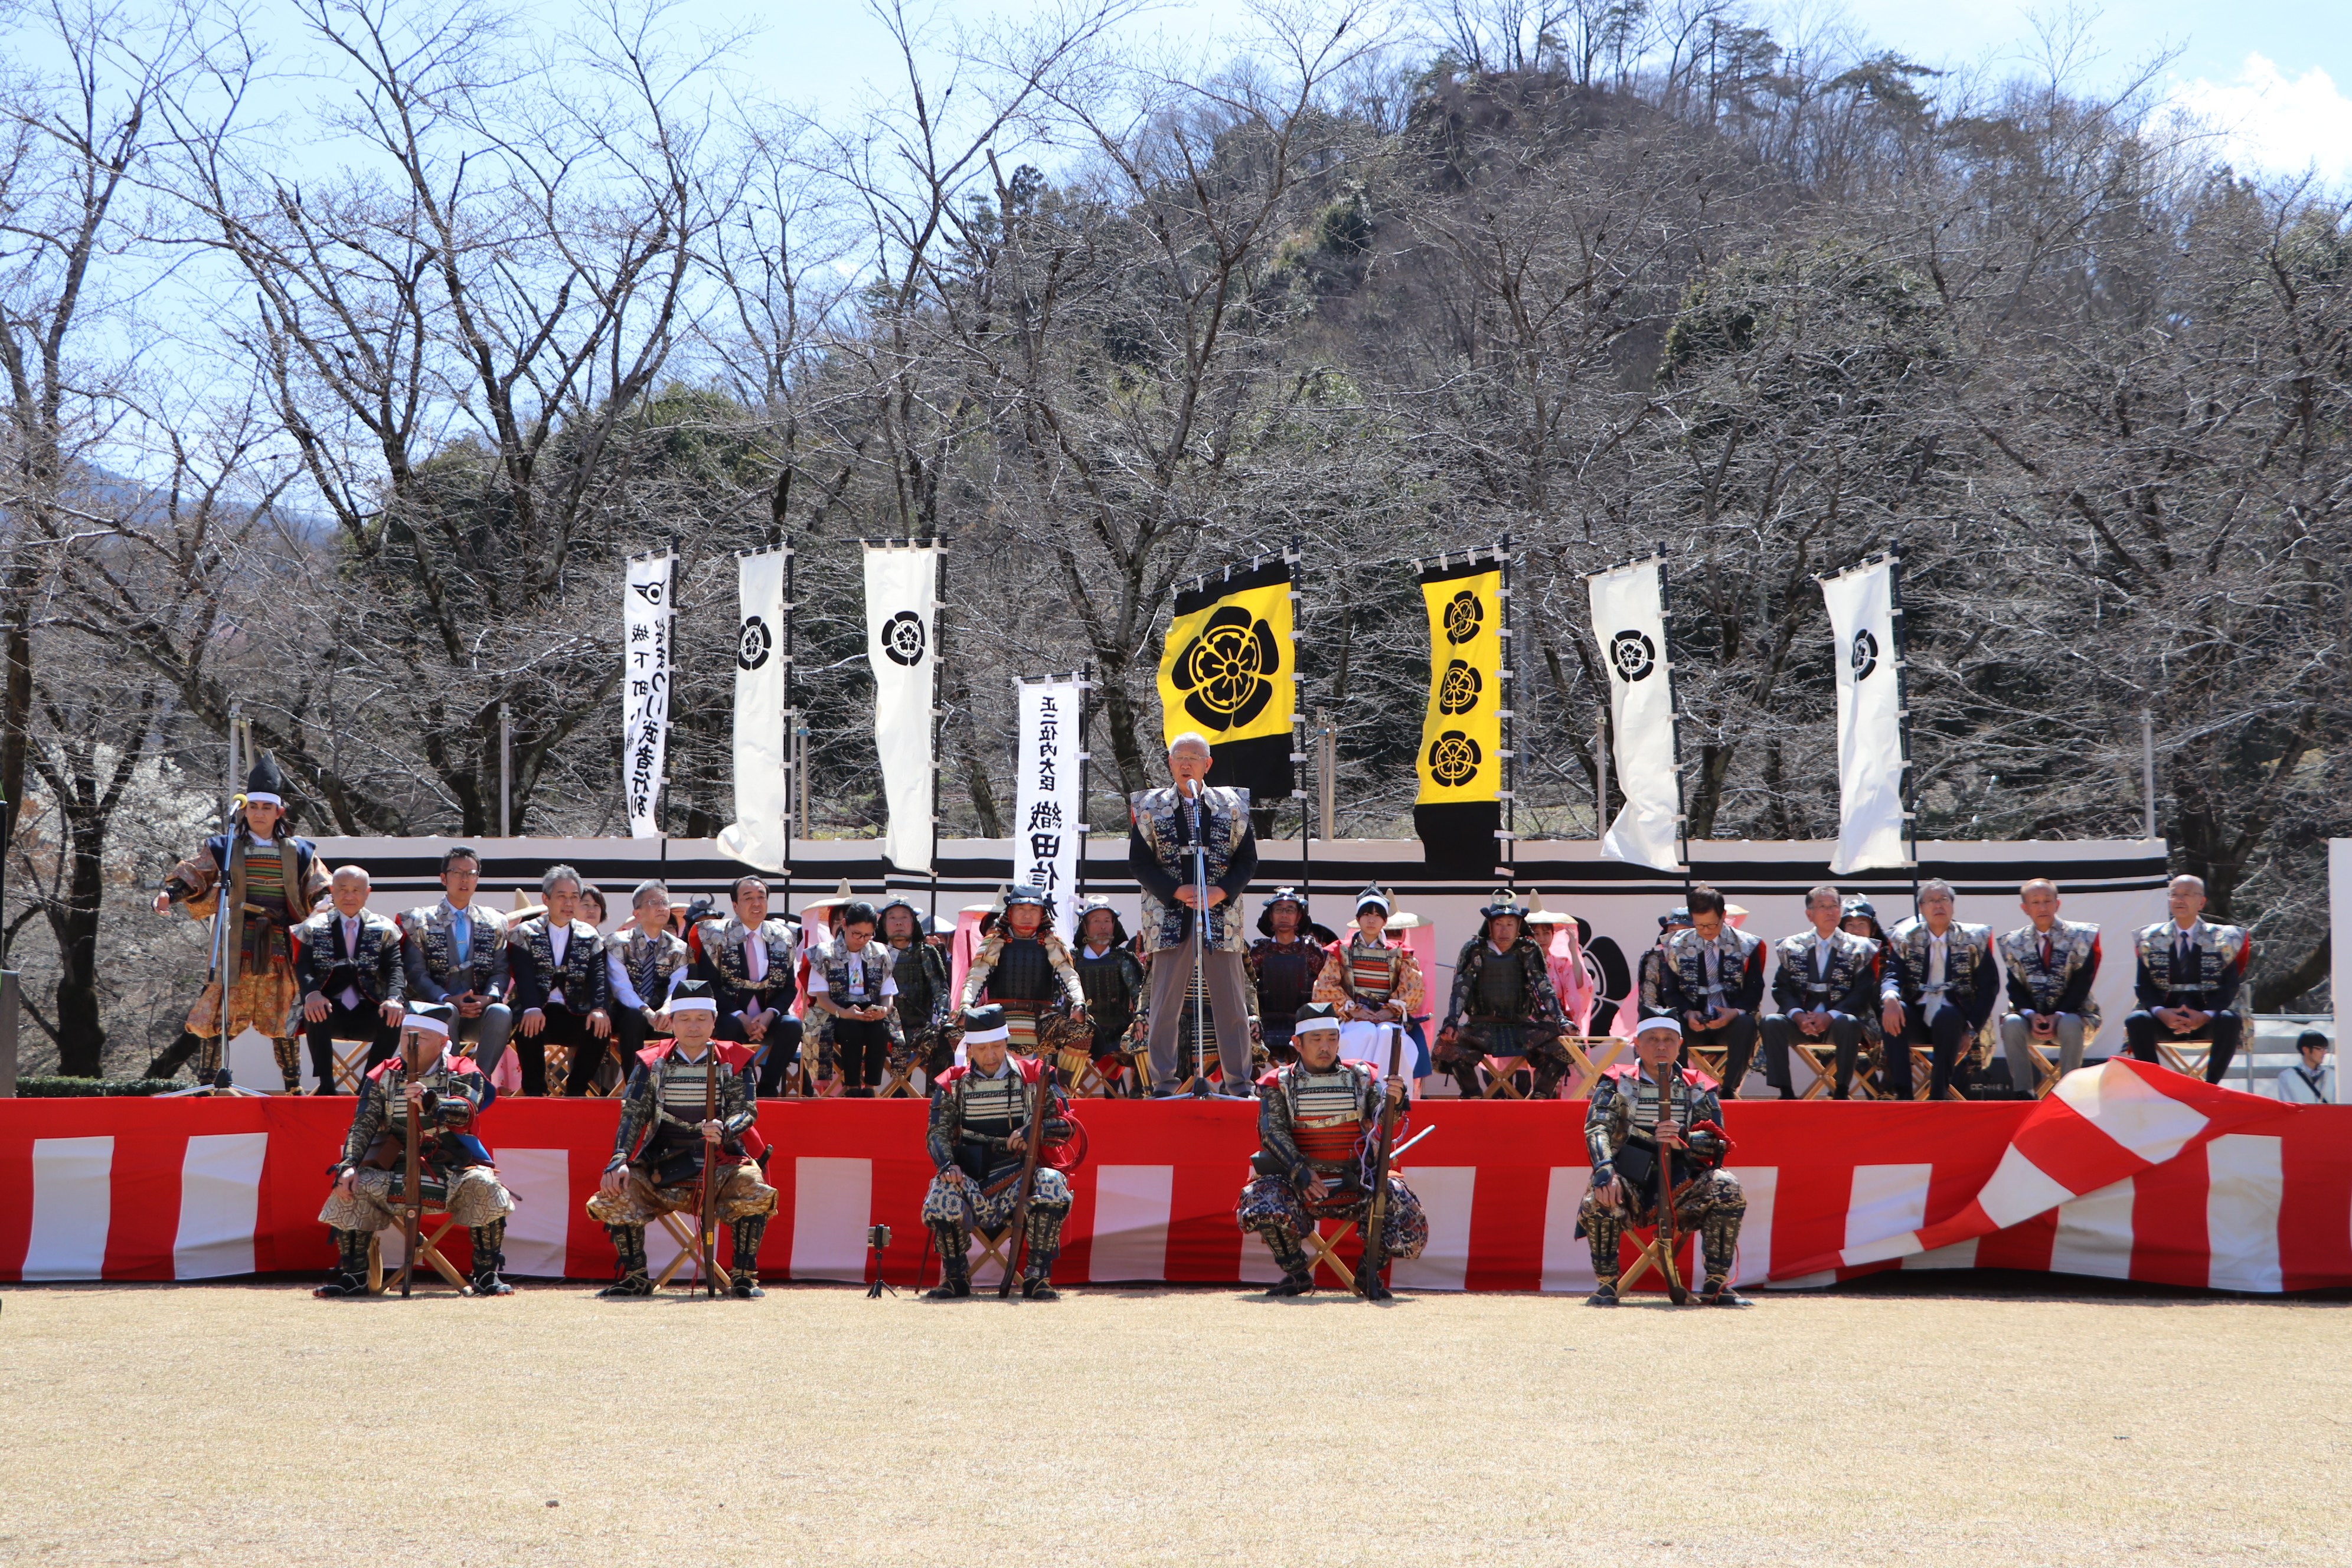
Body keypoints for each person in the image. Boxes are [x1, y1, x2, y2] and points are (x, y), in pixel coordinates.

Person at [584, 980, 777, 1298]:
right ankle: (635, 1277)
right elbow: (633, 1113)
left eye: (702, 1018)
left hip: (721, 1164)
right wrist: (619, 1159)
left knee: (753, 1184)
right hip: (663, 1166)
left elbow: (747, 1110)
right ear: (670, 1023)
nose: (693, 1026)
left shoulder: (734, 1058)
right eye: (684, 1018)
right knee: (619, 1186)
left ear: (714, 1022)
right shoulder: (651, 1061)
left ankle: (745, 1276)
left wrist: (725, 1129)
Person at [314, 1001, 514, 1299]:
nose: (411, 1044)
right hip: (394, 1169)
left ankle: (486, 1273)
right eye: (407, 1034)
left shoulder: (463, 1069)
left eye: (420, 1037)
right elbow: (363, 1122)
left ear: (444, 1042)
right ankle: (354, 1275)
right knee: (351, 1185)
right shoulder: (383, 1073)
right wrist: (349, 1163)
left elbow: (468, 1112)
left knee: (484, 1185)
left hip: (450, 1170)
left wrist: (432, 1102)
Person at [152, 752, 329, 1088]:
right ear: (244, 810)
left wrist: (324, 908)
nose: (259, 813)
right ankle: (207, 1084)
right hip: (234, 945)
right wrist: (168, 895)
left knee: (283, 1016)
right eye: (253, 807)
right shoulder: (224, 847)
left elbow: (321, 888)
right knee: (218, 1013)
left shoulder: (301, 852)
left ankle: (293, 1086)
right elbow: (195, 874)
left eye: (266, 807)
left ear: (280, 812)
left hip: (279, 944)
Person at [1235, 1002, 1426, 1298]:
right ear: (1297, 1043)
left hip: (1358, 1181)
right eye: (1316, 1039)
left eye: (1332, 1039)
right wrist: (1299, 1170)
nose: (1326, 1047)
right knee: (1262, 1198)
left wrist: (1396, 1100)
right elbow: (1272, 1133)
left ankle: (1367, 1275)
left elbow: (1384, 1120)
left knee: (1398, 1200)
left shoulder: (1362, 1077)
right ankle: (1297, 1273)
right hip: (1302, 1184)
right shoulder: (1279, 1083)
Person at [1576, 1016, 1747, 1307]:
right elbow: (1597, 1128)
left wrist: (1684, 1138)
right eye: (1652, 1039)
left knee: (1727, 1187)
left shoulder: (1699, 1085)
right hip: (1630, 1179)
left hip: (1683, 1182)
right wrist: (1605, 1169)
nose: (1661, 1046)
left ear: (1680, 1045)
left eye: (1668, 1039)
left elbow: (1718, 1143)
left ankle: (1716, 1284)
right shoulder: (1617, 1080)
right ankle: (1606, 1285)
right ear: (1637, 1045)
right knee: (1599, 1193)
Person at [1129, 731, 1260, 1094]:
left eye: (1194, 757)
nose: (1186, 763)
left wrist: (1221, 892)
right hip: (1169, 915)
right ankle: (1164, 1083)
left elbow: (1247, 860)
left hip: (1222, 915)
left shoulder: (1232, 805)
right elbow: (1139, 863)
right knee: (1165, 1003)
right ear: (1169, 763)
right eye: (1179, 757)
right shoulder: (1149, 806)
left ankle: (1239, 1083)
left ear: (1208, 764)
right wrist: (1175, 891)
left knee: (1232, 1004)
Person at [920, 1005, 1074, 1300]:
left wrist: (1034, 1131)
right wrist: (947, 1164)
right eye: (982, 1049)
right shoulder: (953, 1083)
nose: (990, 1056)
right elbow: (936, 1132)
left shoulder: (1035, 1076)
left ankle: (1037, 1278)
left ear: (1007, 1043)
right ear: (970, 1049)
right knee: (941, 1193)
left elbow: (1066, 1128)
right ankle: (956, 1278)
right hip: (970, 1179)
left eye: (997, 1047)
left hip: (1019, 1178)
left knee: (1053, 1183)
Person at [1436, 890, 1572, 1098]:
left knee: (1563, 1046)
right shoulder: (1475, 949)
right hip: (1481, 1028)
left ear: (1519, 927)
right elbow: (1461, 988)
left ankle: (1541, 1097)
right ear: (1489, 926)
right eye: (1499, 923)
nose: (1504, 930)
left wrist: (1560, 1019)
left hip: (1520, 1027)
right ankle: (1473, 1095)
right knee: (1447, 1044)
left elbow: (1543, 985)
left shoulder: (1528, 949)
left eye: (1510, 924)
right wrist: (1452, 1021)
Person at [2124, 874, 2252, 1083]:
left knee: (2230, 1020)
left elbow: (2229, 987)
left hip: (2206, 1020)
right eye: (2174, 895)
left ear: (2201, 902)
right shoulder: (2149, 938)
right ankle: (2156, 1085)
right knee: (2136, 1020)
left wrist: (2206, 1015)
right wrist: (2162, 1013)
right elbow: (2144, 986)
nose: (2179, 900)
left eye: (2186, 895)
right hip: (2165, 1020)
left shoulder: (2225, 938)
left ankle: (2211, 1086)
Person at [397, 846, 512, 1077]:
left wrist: (488, 997)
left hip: (478, 1010)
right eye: (458, 872)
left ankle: (480, 1080)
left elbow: (501, 970)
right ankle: (449, 1078)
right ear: (443, 878)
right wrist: (447, 999)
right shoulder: (418, 921)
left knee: (501, 1011)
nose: (465, 879)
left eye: (471, 873)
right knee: (448, 1010)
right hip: (434, 1010)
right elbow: (416, 973)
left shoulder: (495, 921)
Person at [1879, 879, 2000, 1100]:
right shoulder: (1906, 938)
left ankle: (1938, 1095)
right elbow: (1892, 974)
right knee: (1893, 1012)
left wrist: (1971, 1030)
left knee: (1948, 1016)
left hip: (1954, 1022)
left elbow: (1989, 988)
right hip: (1917, 1018)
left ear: (1952, 905)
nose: (1938, 905)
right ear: (1921, 908)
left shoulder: (1975, 939)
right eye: (1931, 901)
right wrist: (1890, 998)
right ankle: (1903, 1094)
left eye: (1944, 899)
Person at [1760, 885, 1879, 1099]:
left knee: (1849, 1022)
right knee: (1771, 1022)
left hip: (1838, 1025)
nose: (1830, 911)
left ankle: (1841, 1089)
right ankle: (1785, 1091)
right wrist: (1797, 1015)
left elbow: (1862, 992)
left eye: (1834, 906)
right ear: (1810, 914)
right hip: (1801, 1024)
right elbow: (1781, 988)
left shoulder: (1860, 947)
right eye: (1822, 906)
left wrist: (1830, 1016)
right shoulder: (1792, 946)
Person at [294, 866, 408, 1088]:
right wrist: (313, 994)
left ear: (367, 893)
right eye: (342, 889)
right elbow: (303, 965)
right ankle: (326, 1085)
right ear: (332, 891)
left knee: (394, 1015)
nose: (348, 896)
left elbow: (395, 967)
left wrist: (394, 998)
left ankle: (368, 1085)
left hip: (369, 1008)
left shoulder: (384, 928)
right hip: (329, 1010)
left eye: (356, 890)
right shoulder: (314, 926)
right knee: (315, 1009)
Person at [508, 865, 613, 1096]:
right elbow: (523, 976)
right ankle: (535, 1092)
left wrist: (599, 1008)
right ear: (546, 899)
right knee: (528, 1024)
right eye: (562, 896)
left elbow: (598, 975)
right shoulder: (524, 932)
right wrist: (532, 1007)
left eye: (574, 897)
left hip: (575, 1010)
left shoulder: (590, 935)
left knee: (601, 1025)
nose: (569, 903)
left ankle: (576, 1090)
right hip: (537, 1008)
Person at [695, 876, 802, 1094]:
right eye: (748, 898)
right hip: (730, 1015)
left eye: (761, 897)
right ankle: (746, 1086)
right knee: (729, 1026)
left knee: (792, 1025)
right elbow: (709, 985)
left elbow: (790, 987)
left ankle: (769, 1087)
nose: (756, 903)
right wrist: (740, 1017)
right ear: (735, 905)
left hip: (767, 1017)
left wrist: (770, 1014)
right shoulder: (714, 935)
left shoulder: (783, 936)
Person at [1997, 878, 2102, 1097]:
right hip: (2032, 1021)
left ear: (2058, 904)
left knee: (2071, 1023)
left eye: (2048, 901)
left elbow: (2082, 984)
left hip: (2074, 1017)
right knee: (2011, 1022)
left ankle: (2069, 1093)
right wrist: (2031, 1014)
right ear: (2025, 908)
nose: (2042, 907)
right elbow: (2015, 987)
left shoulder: (2082, 936)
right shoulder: (2013, 942)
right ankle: (2023, 1092)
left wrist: (2059, 1015)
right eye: (2035, 902)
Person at [1315, 885, 1429, 1083]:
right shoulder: (1341, 950)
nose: (1371, 919)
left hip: (1388, 1016)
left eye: (1377, 915)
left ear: (1385, 921)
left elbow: (1413, 987)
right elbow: (1325, 987)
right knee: (1362, 1033)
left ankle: (1389, 1095)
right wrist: (1353, 1010)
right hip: (1353, 1015)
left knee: (1388, 1035)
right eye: (1366, 914)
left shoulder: (1401, 953)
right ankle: (1355, 1090)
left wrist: (1391, 1011)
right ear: (1358, 919)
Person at [1657, 885, 1765, 1092]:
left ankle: (1729, 1090)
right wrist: (1688, 1013)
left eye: (1712, 925)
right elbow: (1670, 991)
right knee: (1673, 1022)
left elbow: (1754, 989)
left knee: (1747, 1023)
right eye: (1700, 925)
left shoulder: (1747, 944)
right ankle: (1677, 1088)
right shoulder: (1676, 944)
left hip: (1730, 1023)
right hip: (1693, 1024)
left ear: (1724, 915)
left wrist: (1734, 1013)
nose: (1706, 931)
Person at [958, 885, 1086, 1058]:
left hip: (1043, 1017)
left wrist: (1079, 1001)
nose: (1027, 915)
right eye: (1021, 909)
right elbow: (976, 977)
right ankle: (974, 1080)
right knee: (954, 1030)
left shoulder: (1052, 943)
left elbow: (1068, 975)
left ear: (1042, 913)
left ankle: (1063, 1083)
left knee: (1084, 1028)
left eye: (1034, 909)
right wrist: (966, 1004)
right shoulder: (994, 942)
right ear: (1010, 912)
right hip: (998, 1014)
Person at [809, 902, 903, 1096]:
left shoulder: (880, 953)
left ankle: (871, 1087)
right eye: (857, 934)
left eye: (868, 935)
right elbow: (822, 997)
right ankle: (852, 1087)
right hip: (835, 1011)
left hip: (870, 1009)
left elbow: (887, 994)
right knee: (851, 1028)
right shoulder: (824, 953)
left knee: (881, 1029)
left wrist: (883, 1011)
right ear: (844, 925)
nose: (862, 940)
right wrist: (843, 1013)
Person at [607, 880, 692, 1067]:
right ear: (637, 913)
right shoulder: (617, 942)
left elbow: (678, 985)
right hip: (628, 1012)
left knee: (691, 1017)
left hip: (664, 1014)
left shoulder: (680, 948)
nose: (661, 908)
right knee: (633, 1018)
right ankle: (635, 1086)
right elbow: (621, 988)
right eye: (653, 902)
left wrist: (666, 1010)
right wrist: (646, 1012)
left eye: (665, 903)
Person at [1070, 896, 1149, 1094]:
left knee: (1145, 1037)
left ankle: (1140, 1096)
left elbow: (1138, 993)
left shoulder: (1123, 959)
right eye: (1096, 921)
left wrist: (1140, 1018)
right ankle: (1064, 1095)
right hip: (1083, 1029)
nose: (1103, 926)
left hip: (1119, 1030)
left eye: (1107, 921)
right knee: (1056, 1041)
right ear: (1085, 927)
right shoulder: (1072, 959)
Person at [1246, 888, 1329, 1063]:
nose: (1284, 915)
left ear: (1299, 916)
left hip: (1304, 1022)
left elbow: (1326, 986)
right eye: (1278, 909)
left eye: (1290, 909)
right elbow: (1246, 986)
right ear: (1270, 915)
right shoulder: (1260, 951)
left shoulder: (1312, 951)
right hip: (1265, 1023)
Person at [878, 897, 953, 1082]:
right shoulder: (874, 953)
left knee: (945, 1037)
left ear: (913, 923)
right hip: (883, 1026)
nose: (898, 922)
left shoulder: (926, 953)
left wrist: (944, 1012)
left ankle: (938, 1096)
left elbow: (940, 988)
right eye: (892, 917)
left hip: (918, 1027)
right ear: (883, 924)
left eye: (904, 917)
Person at [1523, 896, 1597, 1037]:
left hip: (1556, 1024)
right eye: (1536, 934)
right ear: (1528, 937)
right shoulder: (1518, 964)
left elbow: (1580, 986)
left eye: (1546, 933)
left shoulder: (1560, 964)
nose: (1542, 938)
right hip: (1525, 1025)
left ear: (1552, 935)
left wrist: (1574, 951)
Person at [1616, 906, 1693, 1043]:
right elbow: (1649, 997)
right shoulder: (1655, 959)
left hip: (1695, 1019)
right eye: (1673, 930)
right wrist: (1662, 1017)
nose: (1677, 935)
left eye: (1683, 931)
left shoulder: (1703, 958)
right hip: (1664, 1019)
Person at [2278, 1031, 2335, 1104]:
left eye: (2325, 1049)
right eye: (2320, 1049)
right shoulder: (2287, 1077)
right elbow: (2288, 1107)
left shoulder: (2332, 1075)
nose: (2324, 1053)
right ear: (2306, 1050)